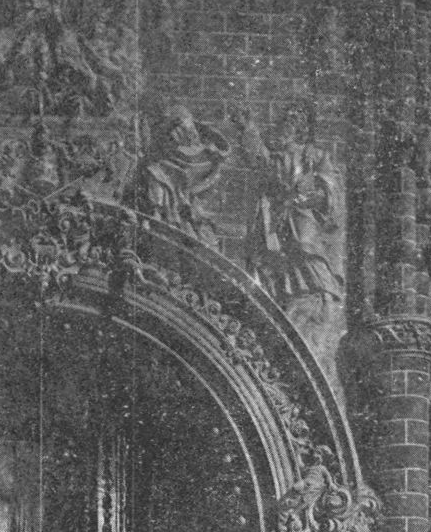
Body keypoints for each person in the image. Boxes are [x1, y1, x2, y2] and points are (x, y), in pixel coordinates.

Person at [234, 103, 346, 393]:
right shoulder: (276, 158)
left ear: (300, 129)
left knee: (309, 263)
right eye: (284, 122)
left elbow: (330, 193)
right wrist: (248, 129)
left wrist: (307, 194)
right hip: (277, 228)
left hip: (302, 224)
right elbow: (259, 160)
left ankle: (315, 296)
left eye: (292, 123)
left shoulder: (315, 156)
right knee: (278, 273)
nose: (285, 127)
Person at [144, 106, 231, 246]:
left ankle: (166, 214)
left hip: (191, 177)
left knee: (163, 173)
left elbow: (213, 159)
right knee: (157, 172)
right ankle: (158, 210)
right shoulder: (168, 139)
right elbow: (165, 149)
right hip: (176, 170)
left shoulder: (206, 152)